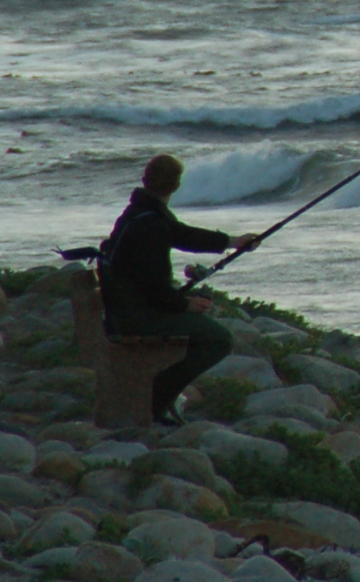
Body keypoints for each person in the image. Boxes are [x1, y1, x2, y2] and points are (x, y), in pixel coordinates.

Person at [98, 154, 263, 425]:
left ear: (145, 180)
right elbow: (153, 285)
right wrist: (183, 304)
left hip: (125, 308)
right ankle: (157, 397)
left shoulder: (138, 213)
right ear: (176, 186)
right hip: (135, 317)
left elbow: (182, 235)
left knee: (205, 326)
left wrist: (234, 242)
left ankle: (161, 397)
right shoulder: (152, 224)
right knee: (219, 339)